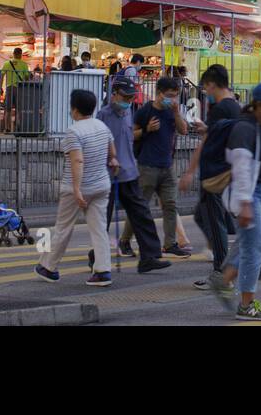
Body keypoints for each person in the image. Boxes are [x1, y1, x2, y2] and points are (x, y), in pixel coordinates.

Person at [207, 81, 261, 320]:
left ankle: (224, 280)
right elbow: (241, 168)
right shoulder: (245, 129)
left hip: (259, 195)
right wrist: (244, 204)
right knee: (254, 250)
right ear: (260, 105)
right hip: (248, 195)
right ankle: (246, 305)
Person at [35, 90, 118, 286]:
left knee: (63, 228)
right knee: (99, 229)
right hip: (101, 185)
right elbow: (112, 154)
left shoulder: (74, 132)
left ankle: (48, 267)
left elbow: (77, 160)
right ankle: (103, 271)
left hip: (78, 188)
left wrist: (77, 189)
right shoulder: (102, 126)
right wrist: (113, 161)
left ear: (74, 109)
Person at [95, 79, 170, 274]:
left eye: (131, 97)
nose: (128, 101)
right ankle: (96, 257)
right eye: (125, 96)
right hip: (109, 174)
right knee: (102, 220)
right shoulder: (103, 115)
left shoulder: (129, 112)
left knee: (142, 215)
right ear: (114, 93)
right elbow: (99, 143)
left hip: (129, 172)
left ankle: (149, 257)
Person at [181, 64, 242, 289]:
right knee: (202, 216)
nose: (205, 92)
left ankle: (221, 273)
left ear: (213, 84)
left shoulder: (221, 108)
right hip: (224, 172)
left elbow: (207, 143)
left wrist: (189, 172)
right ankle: (224, 260)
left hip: (215, 175)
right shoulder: (234, 107)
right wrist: (208, 129)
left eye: (206, 87)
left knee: (215, 224)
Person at [131, 76, 192, 257]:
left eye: (175, 95)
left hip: (167, 166)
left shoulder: (172, 111)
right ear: (159, 93)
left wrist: (176, 113)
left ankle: (170, 243)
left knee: (170, 205)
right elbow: (131, 135)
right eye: (169, 95)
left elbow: (184, 130)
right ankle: (125, 240)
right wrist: (146, 130)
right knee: (140, 207)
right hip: (147, 166)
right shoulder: (145, 111)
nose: (172, 99)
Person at [0, 48, 31, 130]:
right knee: (19, 109)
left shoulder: (7, 63)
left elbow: (2, 75)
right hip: (19, 88)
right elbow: (27, 77)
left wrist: (0, 87)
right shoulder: (24, 64)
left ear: (13, 54)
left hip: (9, 87)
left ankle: (7, 128)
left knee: (8, 109)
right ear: (21, 54)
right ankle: (17, 127)